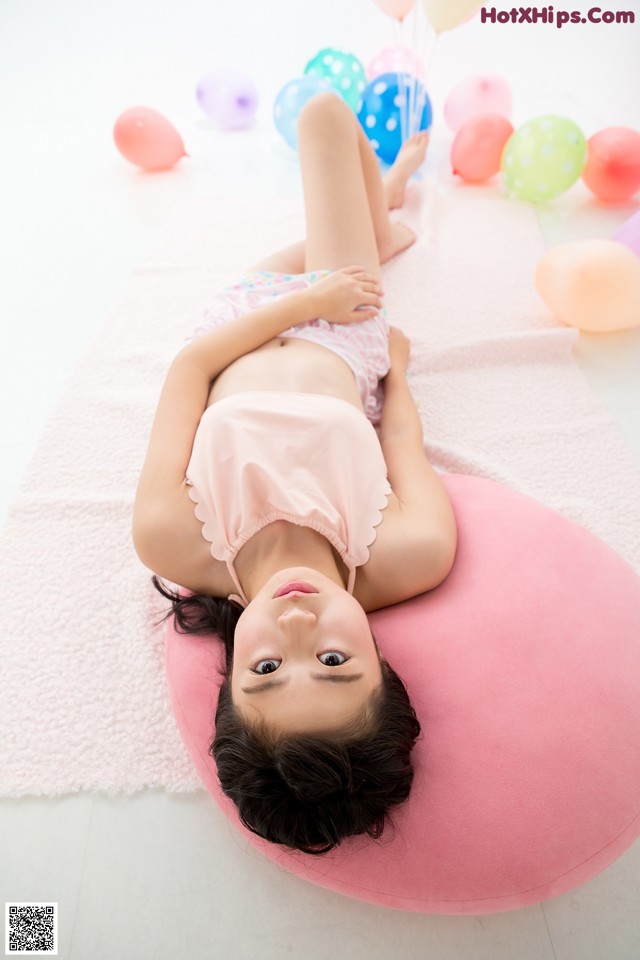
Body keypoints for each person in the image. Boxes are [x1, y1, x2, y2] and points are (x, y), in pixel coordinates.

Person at [133, 92, 457, 854]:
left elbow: (189, 371)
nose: (299, 624)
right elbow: (403, 443)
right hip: (343, 336)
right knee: (321, 114)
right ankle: (382, 212)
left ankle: (385, 210)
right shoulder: (411, 554)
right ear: (384, 666)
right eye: (336, 663)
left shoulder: (171, 539)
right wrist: (395, 373)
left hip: (238, 321)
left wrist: (300, 299)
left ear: (229, 677)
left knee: (352, 229)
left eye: (269, 666)